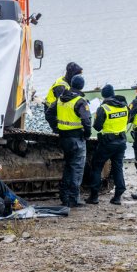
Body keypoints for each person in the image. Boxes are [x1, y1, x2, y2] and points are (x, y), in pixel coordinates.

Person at [87, 84, 129, 205]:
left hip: (107, 142)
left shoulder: (103, 108)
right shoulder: (125, 106)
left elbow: (97, 127)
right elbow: (128, 120)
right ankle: (118, 196)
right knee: (117, 167)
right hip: (121, 141)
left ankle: (94, 196)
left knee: (97, 166)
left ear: (103, 95)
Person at [55, 74, 92, 207]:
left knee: (68, 167)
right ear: (82, 86)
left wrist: (56, 128)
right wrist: (87, 134)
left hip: (64, 138)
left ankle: (64, 196)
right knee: (77, 169)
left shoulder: (60, 99)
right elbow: (86, 120)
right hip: (77, 139)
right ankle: (73, 199)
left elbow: (49, 113)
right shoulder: (80, 101)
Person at [43, 61, 84, 126]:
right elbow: (63, 104)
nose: (80, 77)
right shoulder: (61, 87)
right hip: (51, 111)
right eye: (78, 75)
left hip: (56, 107)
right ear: (72, 75)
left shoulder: (66, 80)